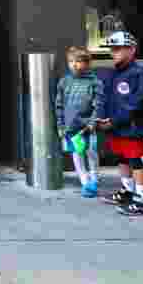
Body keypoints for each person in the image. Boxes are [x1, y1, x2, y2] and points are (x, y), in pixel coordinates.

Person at [97, 31, 143, 216]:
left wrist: (113, 121)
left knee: (135, 161)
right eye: (112, 49)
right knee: (122, 158)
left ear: (131, 50)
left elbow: (134, 104)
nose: (114, 52)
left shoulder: (137, 74)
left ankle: (142, 200)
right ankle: (128, 192)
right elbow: (107, 98)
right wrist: (102, 117)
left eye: (118, 49)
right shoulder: (114, 73)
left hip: (132, 127)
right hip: (117, 127)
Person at [54, 46, 102, 198]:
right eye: (70, 61)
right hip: (71, 127)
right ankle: (85, 182)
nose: (73, 64)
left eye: (78, 61)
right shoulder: (64, 82)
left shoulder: (95, 82)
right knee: (77, 153)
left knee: (91, 152)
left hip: (88, 126)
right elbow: (59, 105)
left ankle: (94, 179)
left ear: (87, 63)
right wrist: (61, 125)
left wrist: (93, 122)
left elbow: (99, 104)